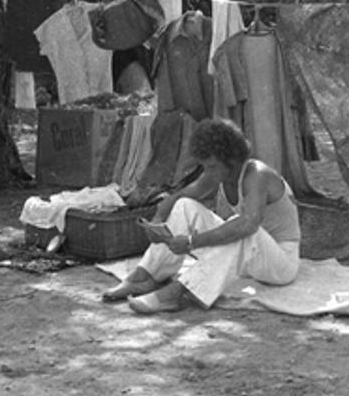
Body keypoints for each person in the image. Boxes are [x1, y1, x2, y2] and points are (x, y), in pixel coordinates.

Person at [102, 118, 302, 313]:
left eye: (212, 166)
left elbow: (248, 225)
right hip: (249, 259)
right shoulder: (220, 172)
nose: (208, 172)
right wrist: (158, 218)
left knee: (242, 227)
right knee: (184, 206)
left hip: (280, 263)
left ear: (231, 160)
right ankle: (145, 277)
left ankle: (174, 294)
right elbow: (181, 196)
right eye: (206, 166)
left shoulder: (258, 175)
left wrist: (192, 242)